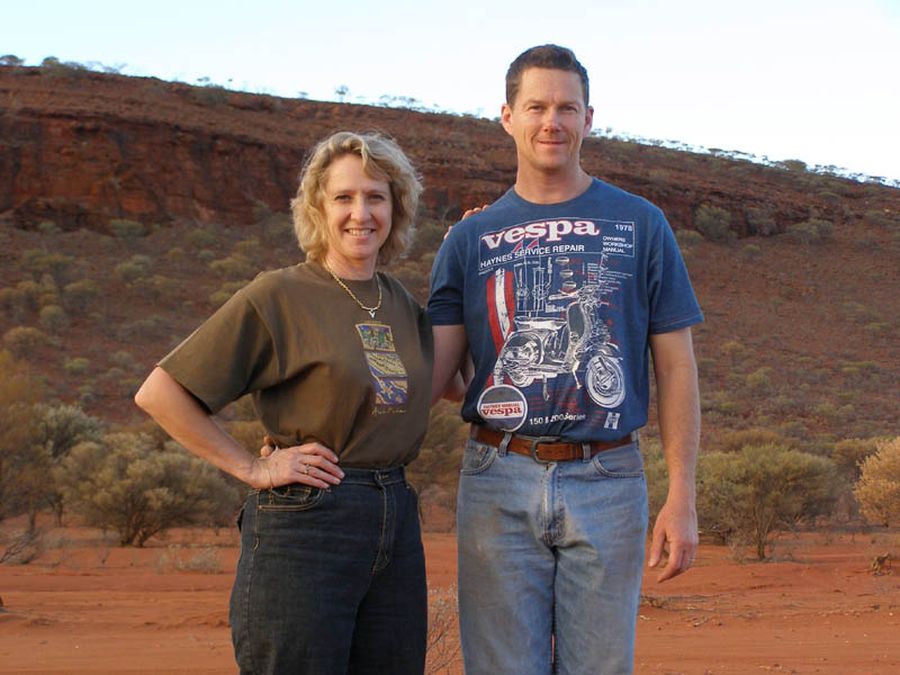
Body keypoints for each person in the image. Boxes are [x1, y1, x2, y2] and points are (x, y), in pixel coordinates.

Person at [428, 45, 704, 674]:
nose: (551, 121)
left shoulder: (641, 223)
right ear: (506, 116)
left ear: (588, 119)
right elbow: (436, 374)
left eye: (566, 108)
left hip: (608, 477)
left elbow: (677, 367)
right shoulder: (469, 239)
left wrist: (682, 494)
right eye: (536, 106)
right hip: (497, 475)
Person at [135, 131, 432, 674]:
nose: (360, 213)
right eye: (343, 197)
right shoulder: (278, 295)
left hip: (395, 517)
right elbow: (160, 392)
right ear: (319, 207)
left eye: (375, 197)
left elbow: (451, 380)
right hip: (308, 522)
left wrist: (489, 247)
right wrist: (251, 466)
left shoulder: (400, 302)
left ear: (396, 208)